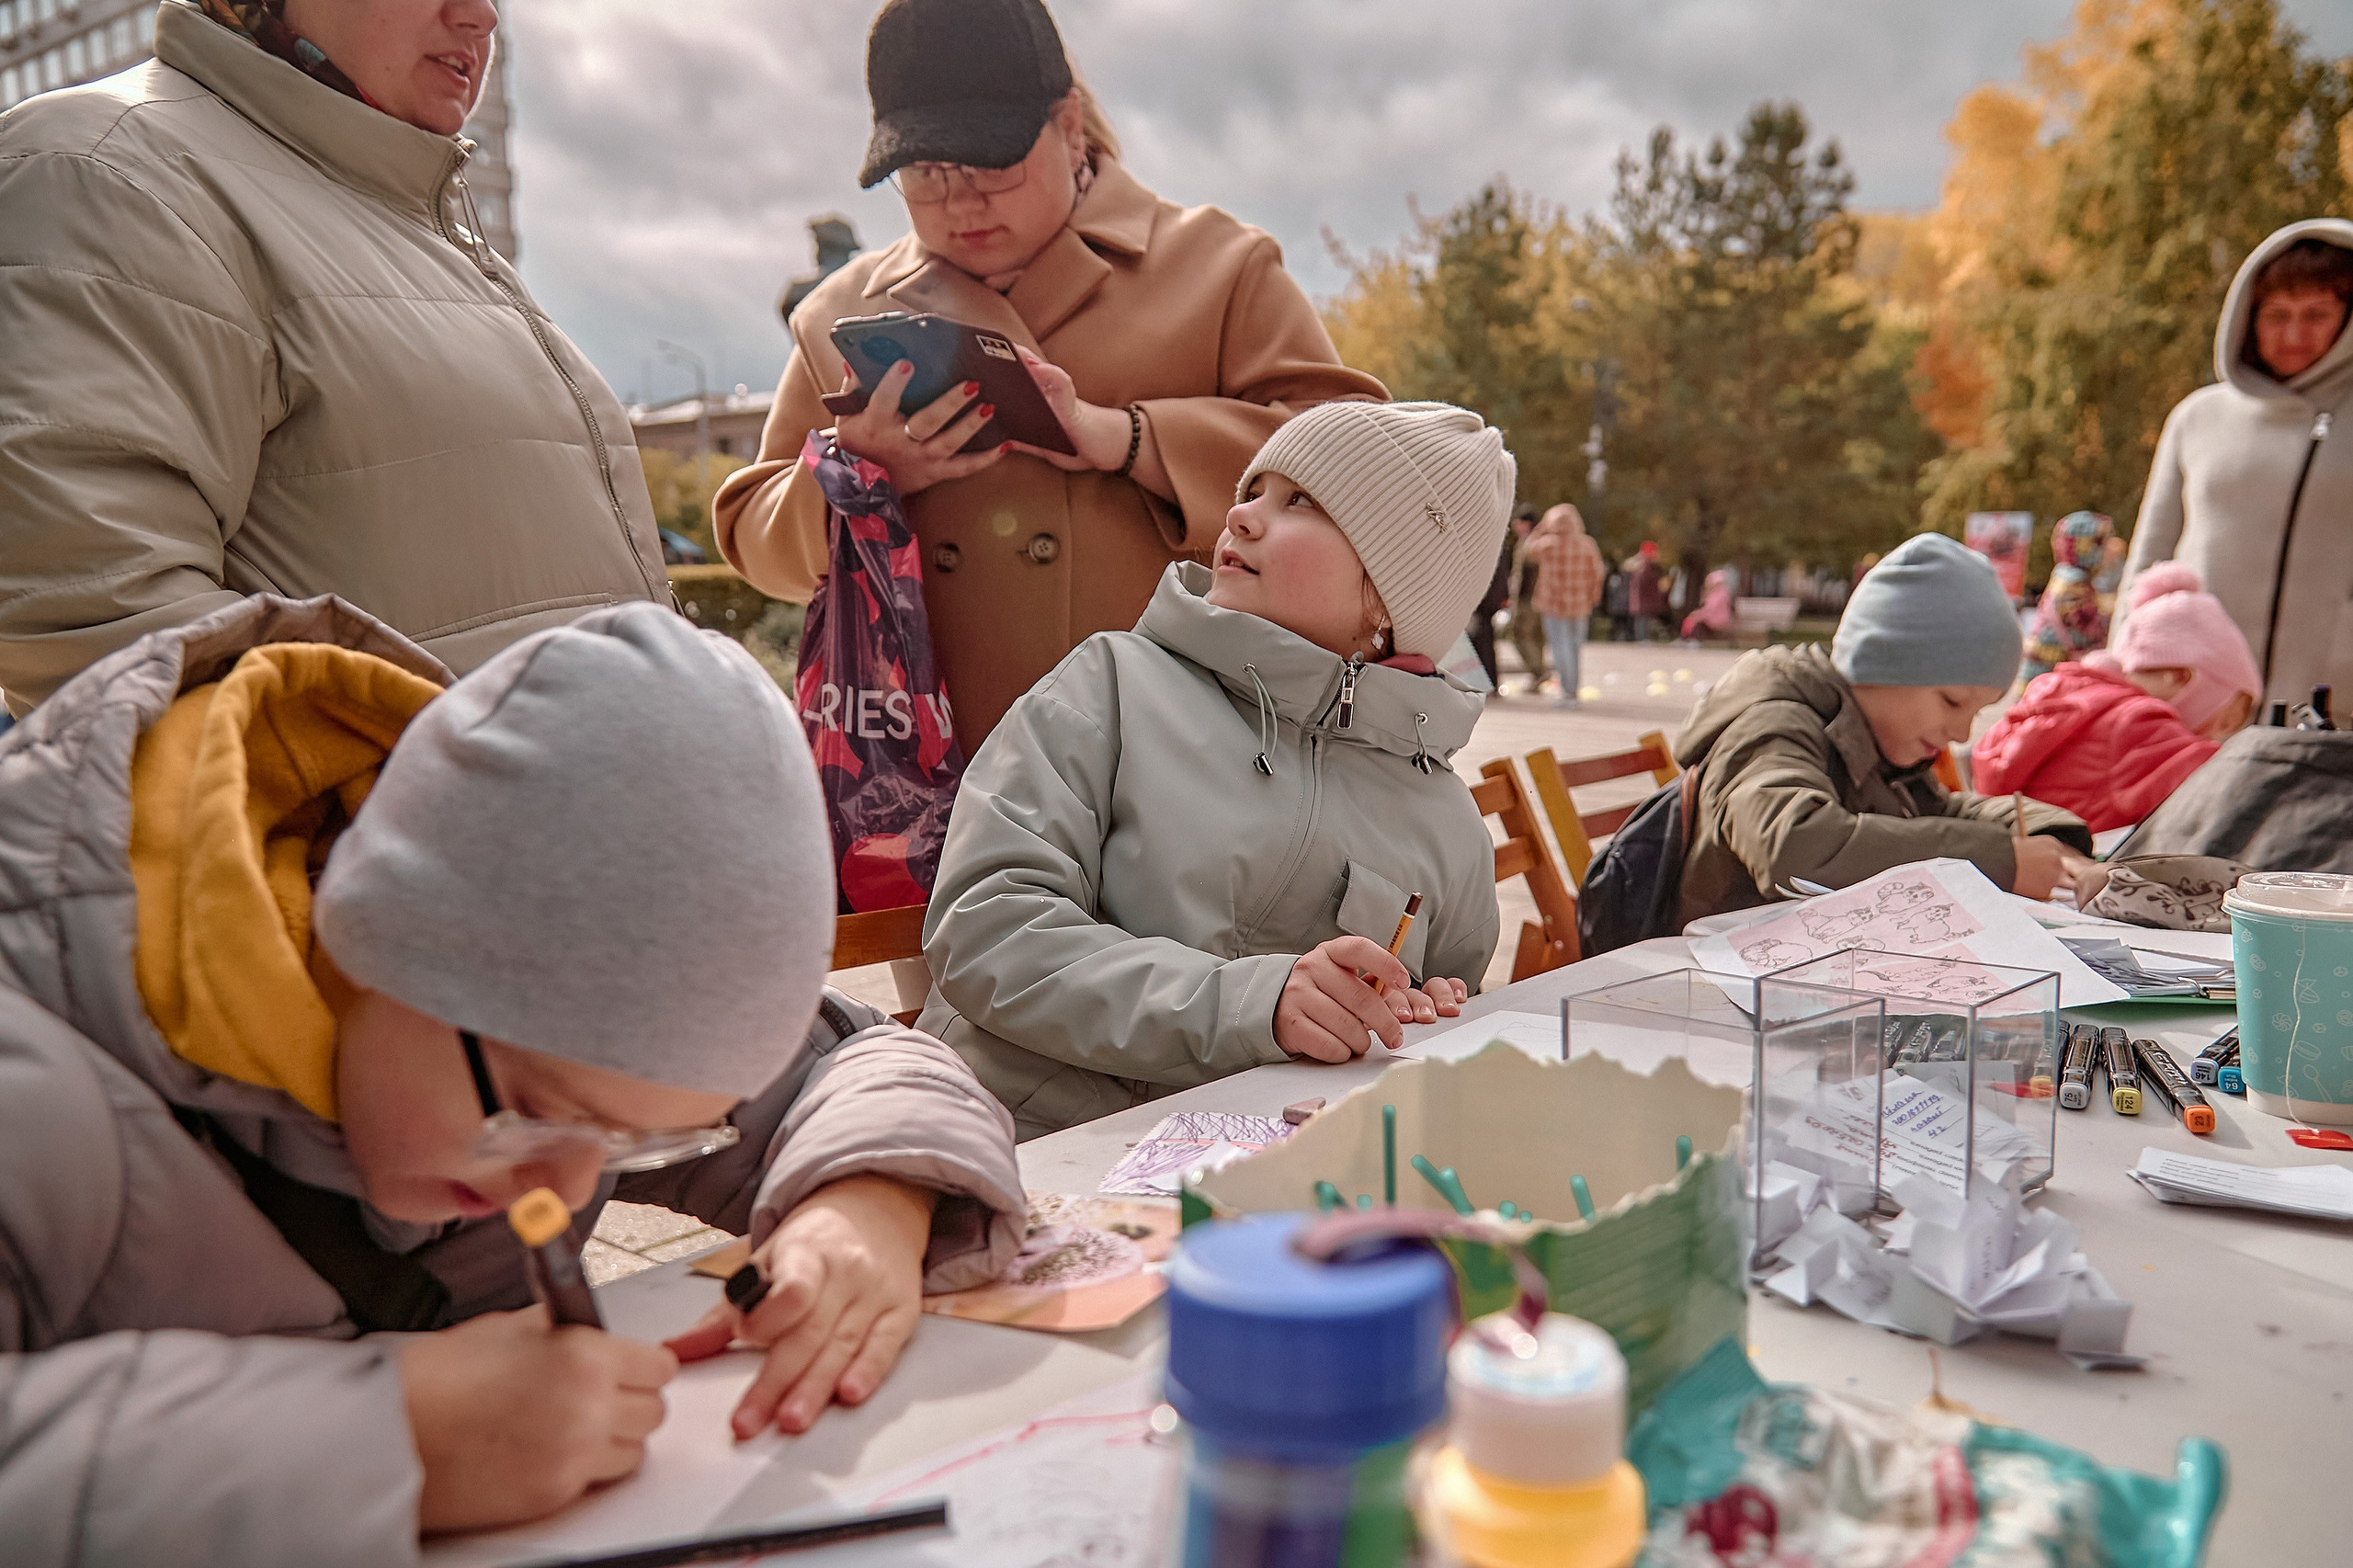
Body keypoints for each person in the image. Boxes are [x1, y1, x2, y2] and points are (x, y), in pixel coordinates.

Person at [0, 597, 1023, 1562]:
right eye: (530, 1113)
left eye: (639, 1145)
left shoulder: (559, 1047)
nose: (572, 1190)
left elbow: (849, 1061)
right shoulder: (41, 1070)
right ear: (371, 929)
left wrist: (868, 1199)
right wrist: (390, 1441)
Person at [712, 0, 1384, 753]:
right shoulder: (836, 314)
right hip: (935, 788)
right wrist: (858, 472)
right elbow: (753, 536)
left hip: (1187, 770)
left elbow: (1361, 464)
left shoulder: (1223, 268)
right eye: (926, 172)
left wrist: (1130, 438)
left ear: (1069, 127)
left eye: (989, 162)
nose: (961, 203)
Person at [0, 0, 668, 721]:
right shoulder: (107, 169)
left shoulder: (405, 215)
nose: (480, 17)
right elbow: (97, 621)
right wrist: (450, 819)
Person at [917, 403, 1511, 1139]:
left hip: (1260, 1189)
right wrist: (1253, 1003)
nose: (1242, 517)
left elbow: (1417, 1038)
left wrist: (1415, 1009)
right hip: (1019, 1146)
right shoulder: (1111, 686)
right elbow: (988, 929)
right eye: (1252, 491)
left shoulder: (1446, 821)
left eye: (1302, 502)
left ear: (1390, 596)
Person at [1673, 533, 2095, 924]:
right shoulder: (1773, 723)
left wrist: (2048, 838)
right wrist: (2001, 861)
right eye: (1951, 701)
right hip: (1714, 981)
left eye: (1977, 712)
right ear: (1883, 663)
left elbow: (1941, 812)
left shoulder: (1873, 737)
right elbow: (1794, 848)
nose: (1963, 733)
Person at [2123, 221, 2353, 708]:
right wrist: (2125, 680)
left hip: (2333, 708)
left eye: (2316, 314)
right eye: (2276, 314)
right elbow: (2149, 559)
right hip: (2191, 702)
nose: (2294, 333)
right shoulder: (2198, 417)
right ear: (2248, 317)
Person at [1972, 564, 2258, 833]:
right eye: (2223, 720)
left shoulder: (2066, 691)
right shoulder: (2139, 723)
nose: (2214, 736)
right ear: (2182, 678)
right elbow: (2222, 779)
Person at [2018, 511, 2115, 683]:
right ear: (2086, 546)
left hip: (2046, 676)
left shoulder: (2069, 576)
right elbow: (2088, 635)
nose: (2110, 550)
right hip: (2046, 680)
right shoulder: (2073, 586)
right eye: (2103, 544)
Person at [1523, 504, 1605, 705]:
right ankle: (1573, 691)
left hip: (1553, 604)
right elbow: (1598, 572)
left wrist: (1539, 529)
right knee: (1575, 649)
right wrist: (1595, 594)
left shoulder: (1549, 543)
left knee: (1560, 649)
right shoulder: (1587, 544)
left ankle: (1567, 692)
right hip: (1580, 604)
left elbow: (1527, 550)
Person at [1505, 506, 1550, 689]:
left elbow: (1527, 574)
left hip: (1528, 598)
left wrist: (1516, 598)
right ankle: (1538, 675)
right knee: (1535, 636)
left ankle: (1538, 671)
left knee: (1520, 634)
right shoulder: (1536, 540)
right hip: (1537, 598)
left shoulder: (1531, 543)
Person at [1469, 524, 1515, 692]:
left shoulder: (1482, 542)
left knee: (1481, 641)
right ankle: (1489, 682)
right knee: (1486, 640)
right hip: (1492, 597)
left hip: (1483, 597)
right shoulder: (1496, 539)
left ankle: (1486, 682)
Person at [1681, 567, 1736, 643]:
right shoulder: (1720, 592)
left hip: (1718, 620)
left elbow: (1710, 610)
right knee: (1692, 620)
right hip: (1715, 618)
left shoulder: (1719, 594)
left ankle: (1691, 639)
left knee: (1695, 621)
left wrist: (1698, 615)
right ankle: (1687, 638)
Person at [1627, 542, 1667, 642]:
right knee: (1642, 618)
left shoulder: (1641, 565)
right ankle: (1642, 638)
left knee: (1643, 618)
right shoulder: (1645, 566)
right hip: (1644, 598)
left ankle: (1642, 637)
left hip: (1642, 598)